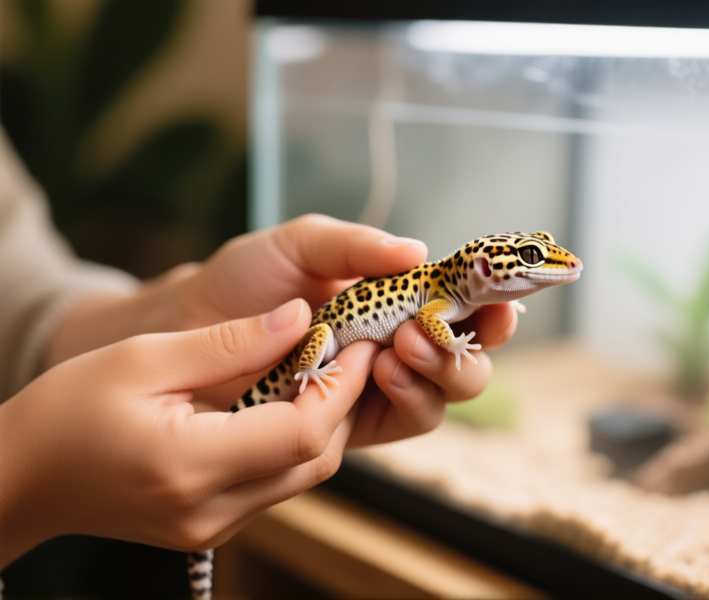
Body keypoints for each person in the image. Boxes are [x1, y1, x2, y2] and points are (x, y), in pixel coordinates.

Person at [0, 127, 518, 575]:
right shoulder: (442, 303)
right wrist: (25, 475)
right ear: (483, 269)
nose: (548, 266)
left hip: (332, 340)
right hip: (328, 338)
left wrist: (155, 316)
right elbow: (429, 323)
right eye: (531, 259)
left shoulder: (453, 296)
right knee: (320, 347)